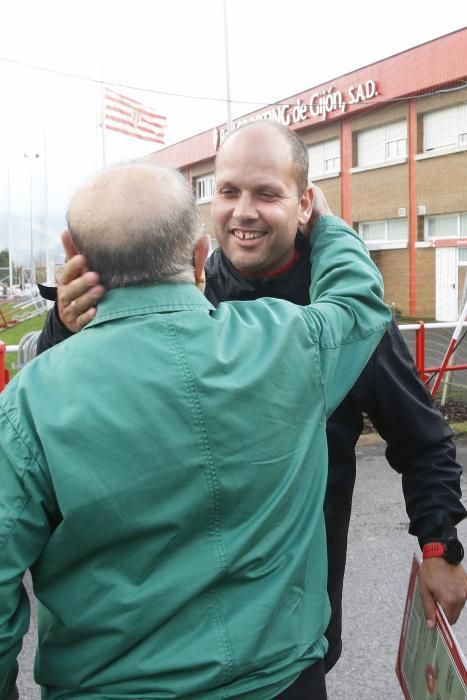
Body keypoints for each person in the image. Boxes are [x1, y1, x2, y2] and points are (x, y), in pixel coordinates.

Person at [36, 122, 467, 672]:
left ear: (305, 203)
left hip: (290, 627)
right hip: (165, 623)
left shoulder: (346, 324)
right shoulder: (185, 292)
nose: (244, 211)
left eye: (267, 193)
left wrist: (439, 546)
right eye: (228, 191)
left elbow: (422, 438)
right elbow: (57, 405)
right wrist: (64, 326)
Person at [0, 160, 390, 699]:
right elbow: (358, 301)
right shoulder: (287, 342)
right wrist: (324, 223)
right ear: (199, 254)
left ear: (73, 252)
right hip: (283, 682)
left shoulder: (30, 402)